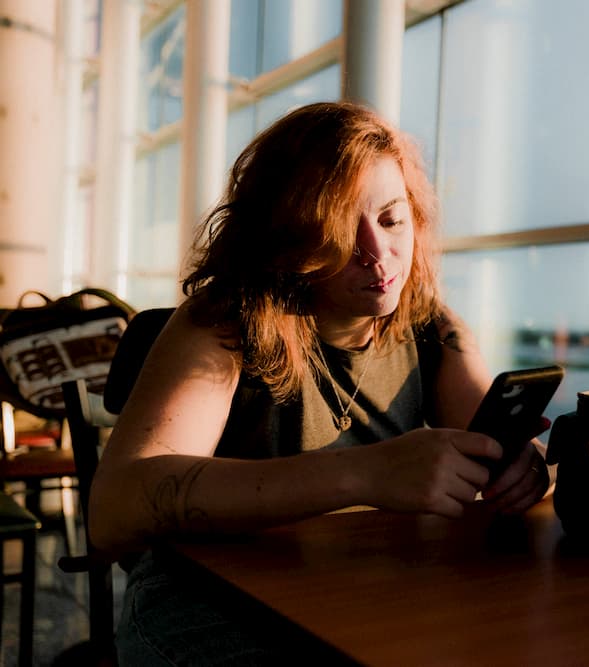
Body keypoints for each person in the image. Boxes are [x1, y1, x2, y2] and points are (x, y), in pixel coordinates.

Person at [88, 101, 552, 664]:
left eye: (390, 219)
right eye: (338, 230)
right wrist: (365, 474)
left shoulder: (430, 324)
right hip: (209, 605)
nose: (378, 256)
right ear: (286, 236)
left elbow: (494, 438)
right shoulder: (226, 322)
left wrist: (523, 469)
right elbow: (113, 512)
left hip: (366, 592)